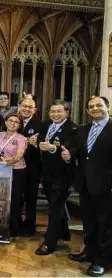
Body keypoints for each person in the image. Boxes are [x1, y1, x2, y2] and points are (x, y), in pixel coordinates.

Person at [62, 96, 112, 276]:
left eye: (99, 105)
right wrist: (70, 156)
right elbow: (79, 152)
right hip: (85, 185)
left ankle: (103, 261)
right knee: (89, 223)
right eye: (91, 106)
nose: (95, 108)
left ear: (108, 107)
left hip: (107, 187)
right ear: (87, 111)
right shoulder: (82, 130)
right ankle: (90, 253)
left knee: (106, 225)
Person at [34, 100, 77, 255]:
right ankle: (64, 233)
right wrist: (37, 143)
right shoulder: (46, 125)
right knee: (55, 205)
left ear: (67, 112)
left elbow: (72, 149)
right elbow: (40, 139)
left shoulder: (73, 129)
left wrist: (54, 149)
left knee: (55, 207)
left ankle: (49, 242)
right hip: (47, 173)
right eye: (53, 111)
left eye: (59, 111)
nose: (56, 114)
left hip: (63, 175)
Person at [0, 113, 28, 237]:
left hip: (16, 171)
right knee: (0, 199)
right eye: (10, 120)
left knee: (14, 199)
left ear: (19, 125)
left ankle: (14, 230)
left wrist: (14, 159)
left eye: (16, 122)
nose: (12, 123)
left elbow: (20, 153)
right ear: (6, 121)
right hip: (0, 170)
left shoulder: (21, 138)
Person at [18, 95, 45, 236]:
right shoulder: (13, 121)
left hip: (32, 167)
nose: (26, 109)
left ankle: (29, 226)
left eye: (30, 107)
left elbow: (43, 146)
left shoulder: (40, 125)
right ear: (19, 107)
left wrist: (34, 143)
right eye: (24, 106)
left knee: (30, 197)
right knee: (16, 197)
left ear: (34, 110)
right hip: (13, 167)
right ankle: (15, 224)